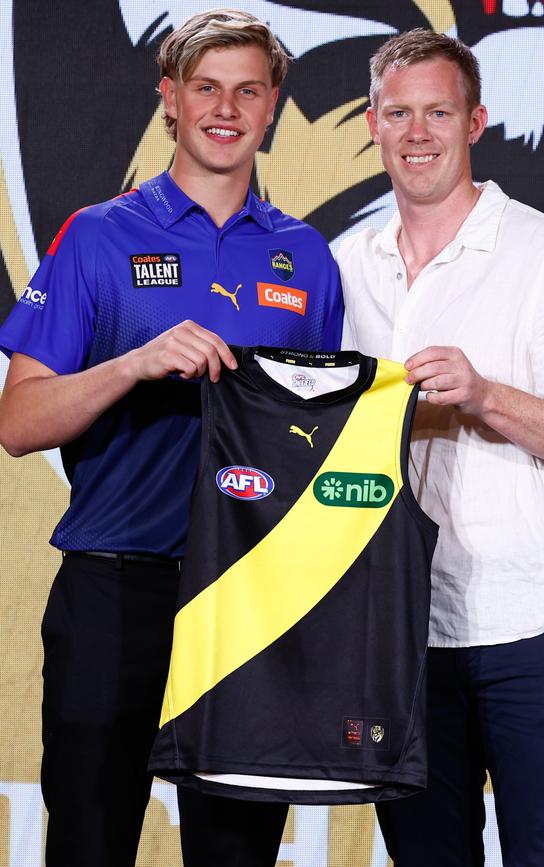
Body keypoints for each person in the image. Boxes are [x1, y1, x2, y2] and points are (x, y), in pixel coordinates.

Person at [0, 9, 342, 867]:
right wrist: (135, 363)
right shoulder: (99, 234)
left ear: (272, 109)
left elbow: (322, 442)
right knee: (89, 841)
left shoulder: (309, 257)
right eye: (205, 88)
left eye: (248, 91)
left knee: (236, 855)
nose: (225, 109)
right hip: (116, 586)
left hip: (249, 598)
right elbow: (17, 423)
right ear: (170, 100)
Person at [337, 29, 544, 867]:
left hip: (532, 625)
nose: (418, 131)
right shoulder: (344, 267)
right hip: (398, 632)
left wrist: (485, 395)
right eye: (399, 112)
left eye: (439, 111)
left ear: (476, 122)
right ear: (373, 122)